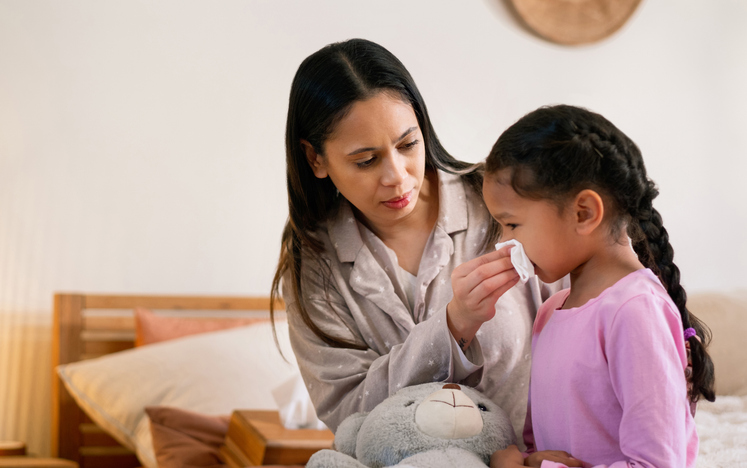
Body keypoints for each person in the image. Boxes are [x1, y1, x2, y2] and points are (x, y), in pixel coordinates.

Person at [269, 39, 564, 442]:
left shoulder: (500, 206)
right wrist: (454, 325)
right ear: (315, 159)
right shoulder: (315, 263)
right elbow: (352, 414)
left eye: (408, 144)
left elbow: (590, 330)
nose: (398, 176)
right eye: (366, 160)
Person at [485, 105, 716, 468]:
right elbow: (542, 442)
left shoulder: (634, 310)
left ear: (584, 213)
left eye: (511, 225)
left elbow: (657, 464)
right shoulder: (551, 311)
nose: (504, 243)